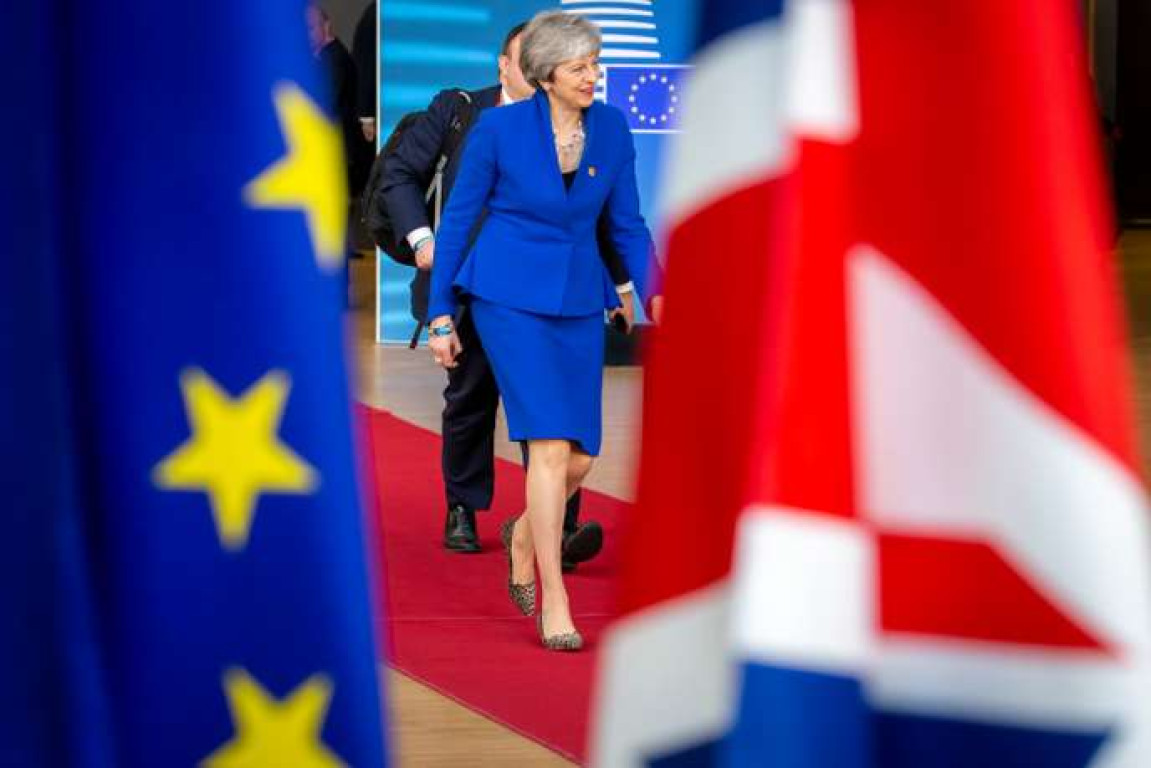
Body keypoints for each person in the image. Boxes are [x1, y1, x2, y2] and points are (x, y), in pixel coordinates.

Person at [427, 10, 660, 650]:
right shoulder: (499, 129)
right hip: (507, 297)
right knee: (550, 447)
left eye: (595, 64)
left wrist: (657, 290)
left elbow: (627, 225)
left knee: (583, 454)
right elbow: (458, 222)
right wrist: (441, 313)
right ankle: (554, 597)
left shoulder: (611, 128)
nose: (592, 76)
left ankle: (525, 531)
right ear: (545, 75)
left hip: (578, 301)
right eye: (579, 67)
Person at [381, 23, 635, 568]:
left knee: (551, 412)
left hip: (554, 289)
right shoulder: (462, 112)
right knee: (471, 397)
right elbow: (399, 175)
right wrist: (423, 240)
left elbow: (602, 214)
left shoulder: (589, 127)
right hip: (476, 281)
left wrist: (621, 283)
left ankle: (556, 526)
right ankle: (463, 507)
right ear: (505, 65)